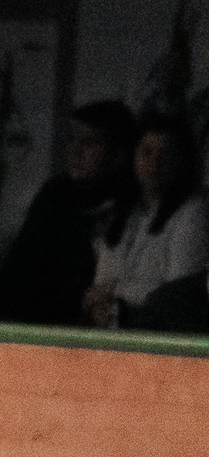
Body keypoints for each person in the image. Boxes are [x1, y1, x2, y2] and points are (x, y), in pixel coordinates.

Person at [0, 100, 138, 327]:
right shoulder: (56, 193)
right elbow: (19, 267)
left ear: (118, 153)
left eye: (89, 143)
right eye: (72, 139)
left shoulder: (132, 206)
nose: (75, 151)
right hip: (28, 320)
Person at [88, 112, 208, 333]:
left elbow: (177, 294)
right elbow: (102, 279)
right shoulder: (122, 212)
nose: (154, 163)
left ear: (180, 161)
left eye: (166, 154)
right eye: (147, 152)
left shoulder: (192, 213)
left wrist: (115, 295)